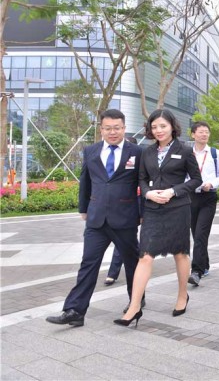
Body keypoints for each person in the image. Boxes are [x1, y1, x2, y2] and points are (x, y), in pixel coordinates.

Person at [46, 109, 142, 327]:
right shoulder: (91, 150)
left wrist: (143, 213)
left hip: (125, 218)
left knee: (132, 263)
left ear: (124, 128)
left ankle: (136, 302)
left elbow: (143, 185)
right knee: (88, 263)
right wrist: (83, 208)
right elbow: (85, 181)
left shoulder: (137, 152)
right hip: (96, 219)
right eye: (108, 128)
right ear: (101, 129)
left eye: (117, 128)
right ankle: (75, 311)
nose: (112, 132)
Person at [114, 109, 202, 327]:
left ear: (172, 126)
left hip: (178, 208)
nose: (158, 130)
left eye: (162, 126)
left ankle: (183, 295)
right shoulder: (147, 152)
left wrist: (174, 191)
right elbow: (142, 179)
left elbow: (196, 180)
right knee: (145, 256)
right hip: (153, 209)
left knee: (180, 254)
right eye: (154, 127)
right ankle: (134, 306)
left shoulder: (185, 150)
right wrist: (147, 193)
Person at [188, 121, 219, 287]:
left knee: (201, 233)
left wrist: (211, 183)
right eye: (201, 132)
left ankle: (196, 271)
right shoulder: (186, 153)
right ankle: (205, 264)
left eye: (206, 132)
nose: (204, 135)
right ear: (193, 134)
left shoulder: (215, 153)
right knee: (196, 234)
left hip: (208, 197)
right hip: (190, 197)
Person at [105, 137, 141, 286]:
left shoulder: (138, 158)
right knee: (125, 240)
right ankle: (113, 272)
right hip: (121, 205)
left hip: (138, 201)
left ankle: (115, 272)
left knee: (127, 240)